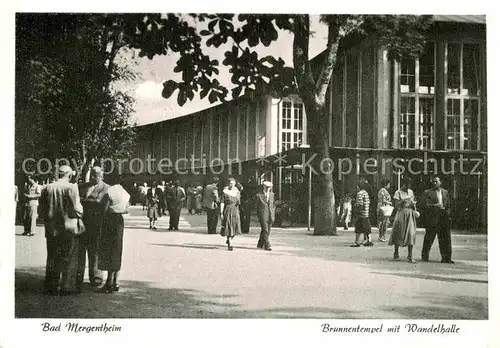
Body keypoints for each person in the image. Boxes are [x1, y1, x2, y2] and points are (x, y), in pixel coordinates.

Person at [39, 165, 83, 295]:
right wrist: (80, 213)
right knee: (69, 257)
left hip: (52, 228)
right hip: (68, 227)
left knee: (52, 257)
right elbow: (77, 209)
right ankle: (67, 286)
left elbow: (41, 210)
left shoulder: (47, 188)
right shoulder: (71, 187)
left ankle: (51, 285)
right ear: (69, 175)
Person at [78, 166, 110, 290]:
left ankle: (96, 277)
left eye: (95, 174)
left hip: (97, 224)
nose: (93, 176)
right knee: (80, 251)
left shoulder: (107, 188)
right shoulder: (82, 187)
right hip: (82, 223)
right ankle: (78, 276)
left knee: (95, 251)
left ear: (101, 176)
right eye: (92, 174)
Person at [97, 179, 130, 293]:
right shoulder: (125, 193)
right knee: (117, 249)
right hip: (119, 221)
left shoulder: (109, 193)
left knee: (108, 250)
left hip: (109, 220)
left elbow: (104, 209)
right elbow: (126, 210)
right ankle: (116, 281)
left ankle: (108, 283)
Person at [421, 176, 454, 264]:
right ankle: (425, 256)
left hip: (444, 218)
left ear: (440, 182)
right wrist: (434, 206)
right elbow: (424, 205)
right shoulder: (427, 192)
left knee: (445, 238)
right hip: (433, 218)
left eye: (436, 181)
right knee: (429, 238)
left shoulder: (445, 192)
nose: (434, 183)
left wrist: (448, 213)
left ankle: (446, 258)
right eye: (433, 182)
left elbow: (449, 205)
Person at [388, 177, 418, 263]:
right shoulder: (398, 192)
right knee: (398, 232)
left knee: (411, 233)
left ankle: (410, 256)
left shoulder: (411, 192)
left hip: (410, 213)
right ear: (403, 184)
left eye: (409, 185)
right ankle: (396, 252)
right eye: (406, 185)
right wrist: (403, 201)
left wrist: (413, 204)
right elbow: (396, 205)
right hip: (401, 213)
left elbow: (413, 202)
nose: (408, 187)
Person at [220, 178, 242, 251]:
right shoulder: (225, 191)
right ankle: (230, 242)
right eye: (230, 183)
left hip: (235, 210)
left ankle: (230, 238)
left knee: (235, 225)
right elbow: (222, 202)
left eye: (232, 183)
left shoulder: (237, 192)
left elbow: (239, 202)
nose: (231, 184)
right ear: (228, 184)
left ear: (235, 184)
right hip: (227, 209)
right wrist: (221, 212)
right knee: (228, 225)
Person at [351, 180, 372, 247]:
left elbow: (360, 205)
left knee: (358, 228)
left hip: (361, 214)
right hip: (366, 213)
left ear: (359, 186)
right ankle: (368, 240)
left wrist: (355, 205)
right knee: (366, 228)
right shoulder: (366, 193)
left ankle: (357, 242)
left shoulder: (360, 193)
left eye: (357, 186)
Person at [255, 181, 275, 251]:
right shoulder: (259, 195)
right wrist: (258, 215)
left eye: (269, 187)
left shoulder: (272, 195)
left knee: (267, 230)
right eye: (266, 187)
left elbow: (273, 204)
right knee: (265, 229)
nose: (268, 189)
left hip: (270, 215)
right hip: (262, 215)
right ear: (263, 187)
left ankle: (260, 243)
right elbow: (256, 206)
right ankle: (267, 244)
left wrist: (273, 212)